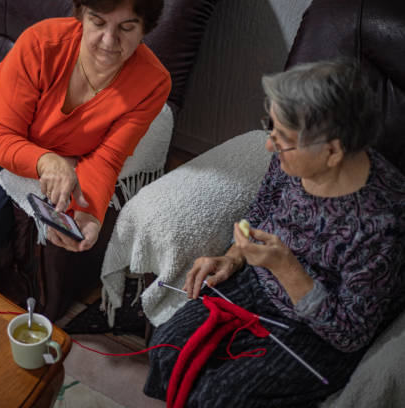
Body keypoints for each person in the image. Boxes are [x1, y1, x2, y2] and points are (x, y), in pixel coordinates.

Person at [144, 59, 405, 407]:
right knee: (167, 348)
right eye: (272, 129)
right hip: (260, 283)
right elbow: (261, 211)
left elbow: (350, 333)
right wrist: (232, 257)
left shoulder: (382, 224)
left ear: (332, 151)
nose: (270, 145)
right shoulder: (291, 162)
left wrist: (287, 268)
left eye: (282, 138)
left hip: (317, 331)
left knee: (217, 397)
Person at [0, 0, 171, 283]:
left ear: (145, 29)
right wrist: (49, 161)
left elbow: (107, 158)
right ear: (80, 15)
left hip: (16, 158)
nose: (108, 40)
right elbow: (0, 138)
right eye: (98, 22)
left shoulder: (152, 83)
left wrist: (89, 214)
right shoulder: (43, 42)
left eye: (126, 28)